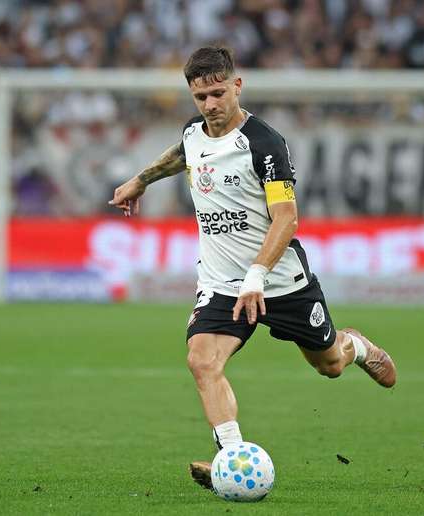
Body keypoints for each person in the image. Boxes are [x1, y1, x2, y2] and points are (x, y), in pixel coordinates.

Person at [108, 46, 397, 490]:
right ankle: (231, 458)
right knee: (202, 360)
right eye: (200, 97)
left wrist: (256, 276)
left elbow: (286, 218)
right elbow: (183, 152)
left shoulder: (264, 144)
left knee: (329, 365)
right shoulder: (194, 132)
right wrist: (140, 180)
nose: (210, 105)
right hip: (222, 283)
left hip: (279, 281)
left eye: (218, 94)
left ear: (237, 86)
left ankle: (355, 345)